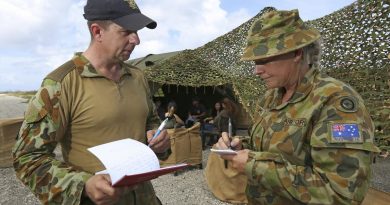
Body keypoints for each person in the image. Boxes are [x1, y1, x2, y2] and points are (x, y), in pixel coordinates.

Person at [12, 0, 170, 204]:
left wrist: (159, 139)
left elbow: (152, 122)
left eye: (137, 31)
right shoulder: (60, 84)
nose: (136, 40)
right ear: (97, 32)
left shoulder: (138, 77)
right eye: (127, 31)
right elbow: (27, 158)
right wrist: (83, 184)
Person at [216, 9, 379, 205]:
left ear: (297, 53)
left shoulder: (334, 101)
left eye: (264, 60)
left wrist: (253, 164)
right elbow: (274, 148)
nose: (257, 70)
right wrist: (240, 147)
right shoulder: (273, 97)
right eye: (255, 62)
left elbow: (339, 193)